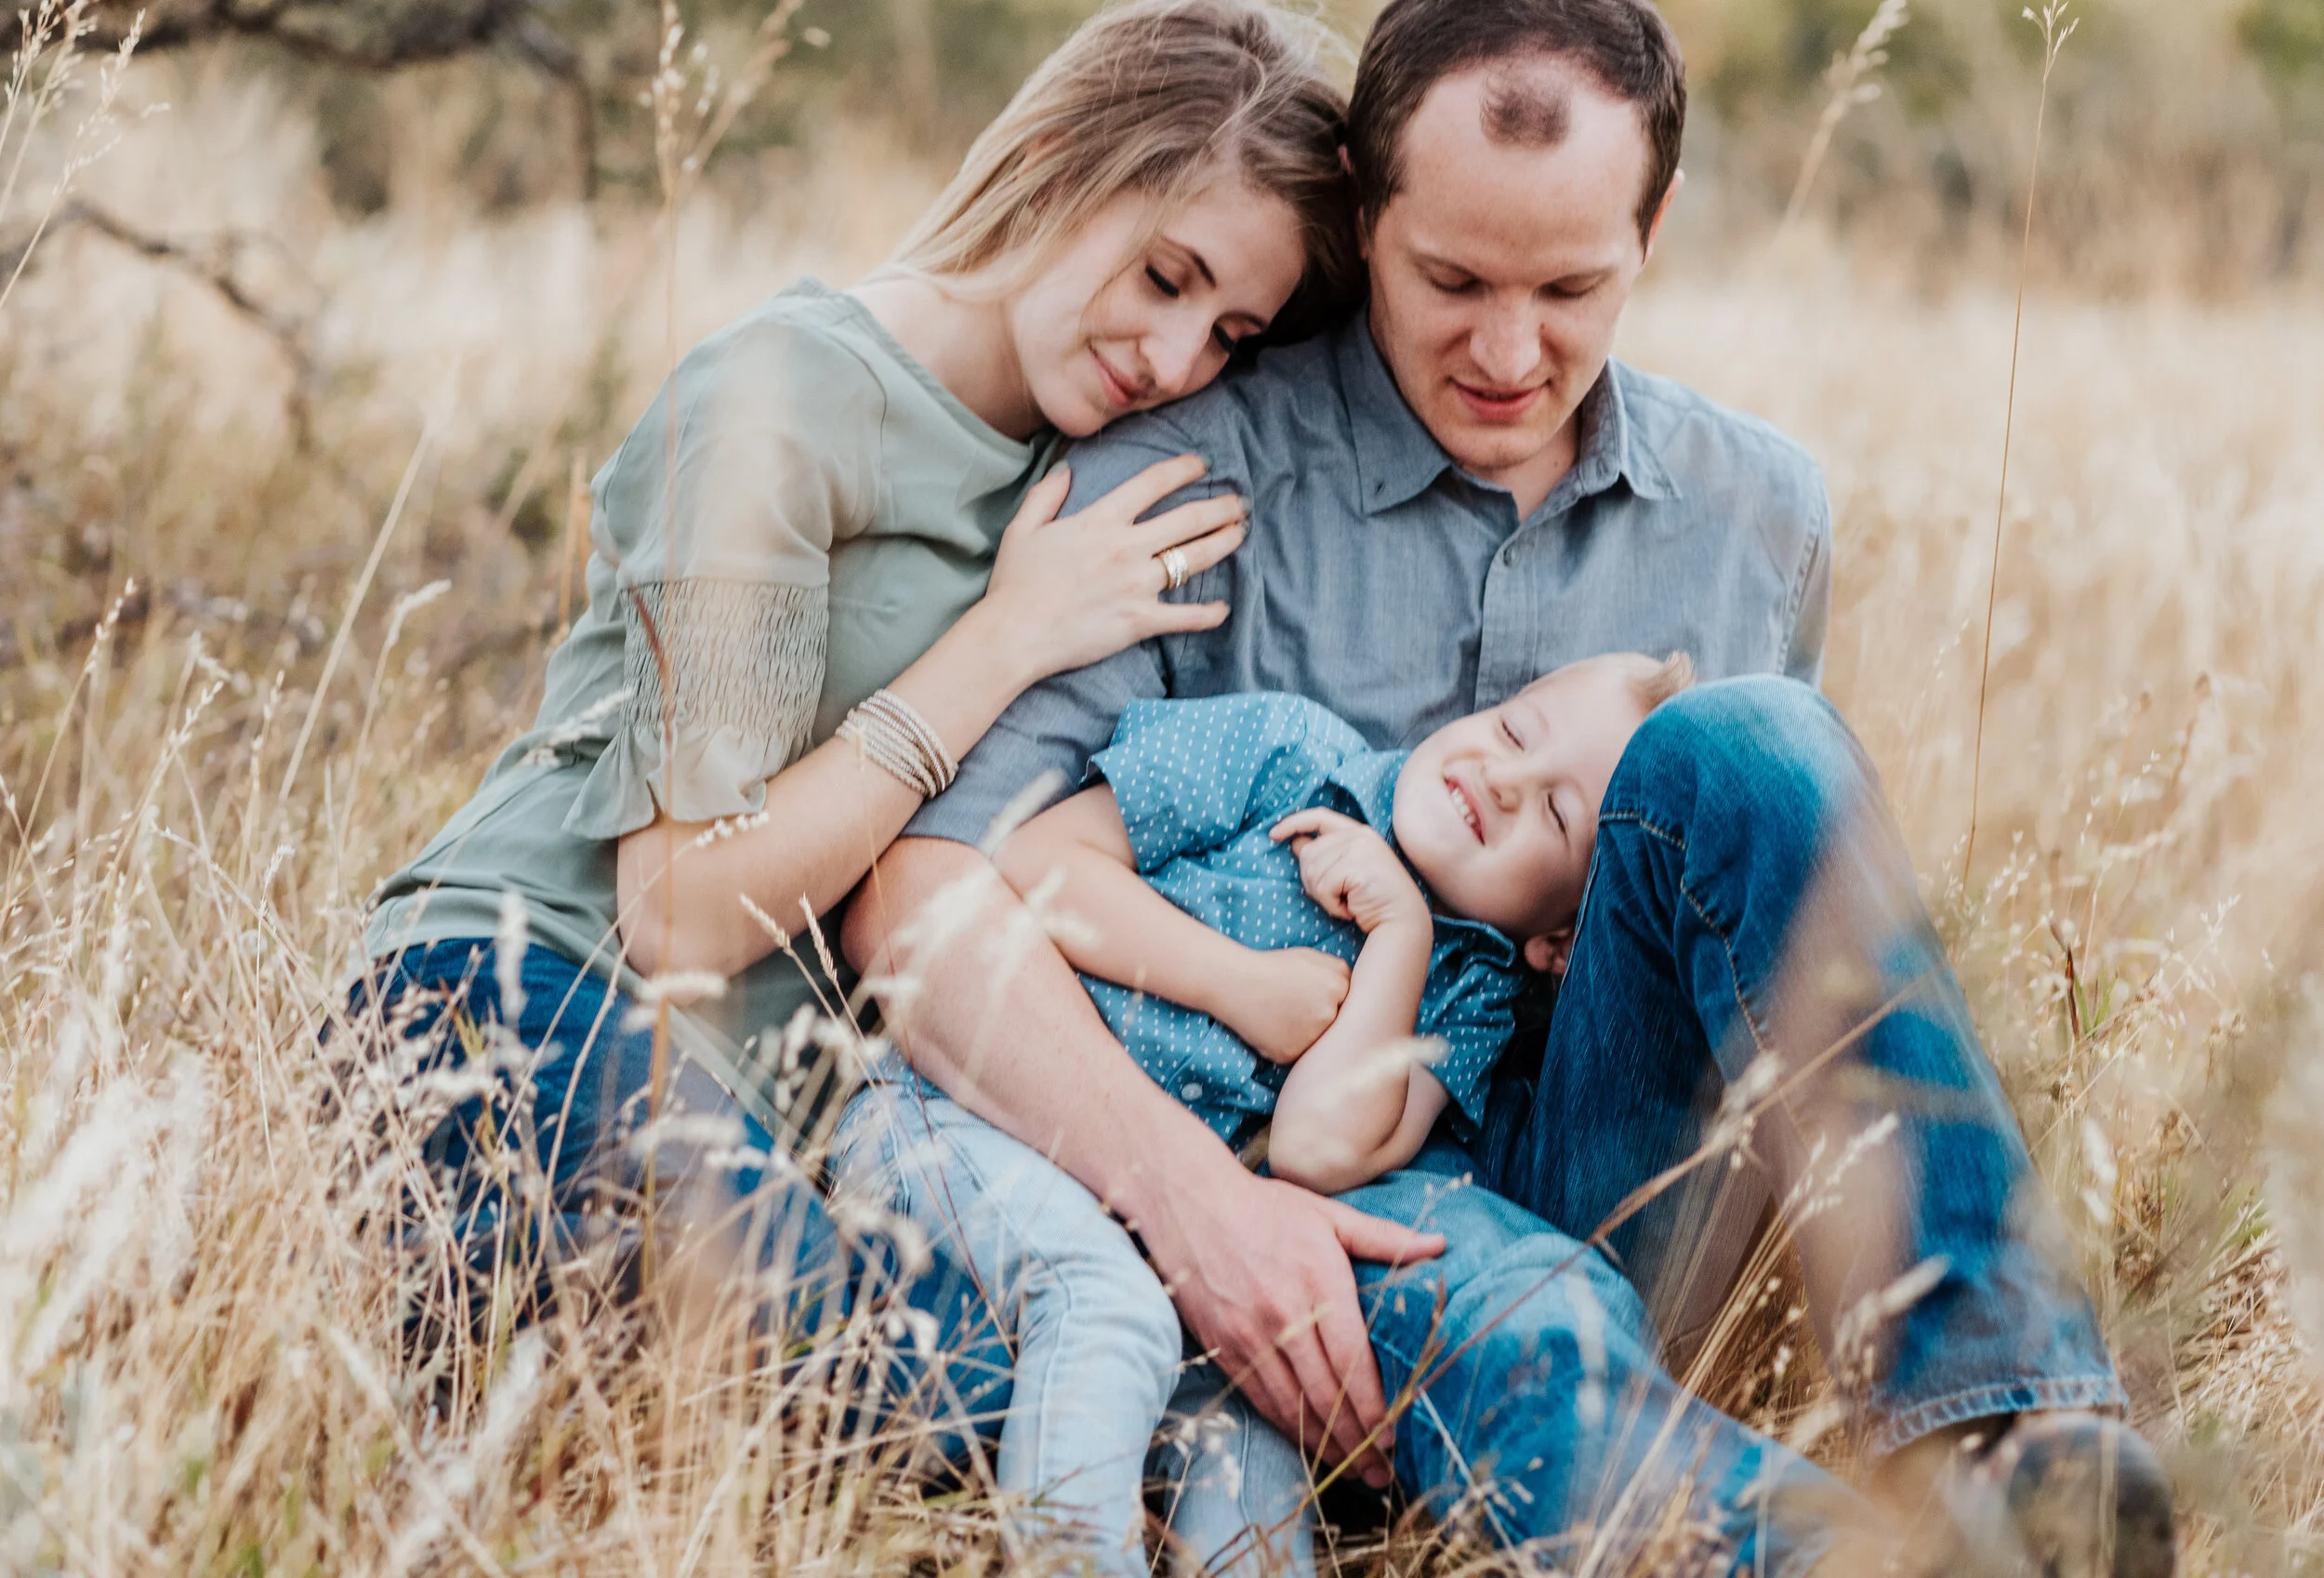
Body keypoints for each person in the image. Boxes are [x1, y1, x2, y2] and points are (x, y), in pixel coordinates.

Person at [845, 0, 2177, 1572]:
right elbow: (925, 897)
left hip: (1617, 1173)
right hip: (1329, 1199)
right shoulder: (1182, 470)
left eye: (1572, 288)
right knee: (1520, 1318)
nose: (1505, 349)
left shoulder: (1758, 513)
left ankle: (2000, 1434)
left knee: (1754, 738)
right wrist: (1207, 1205)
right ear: (1365, 209)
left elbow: (1759, 933)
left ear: (1654, 224)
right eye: (1451, 280)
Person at [345, 0, 1374, 1444]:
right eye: (1164, 273)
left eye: (1230, 331)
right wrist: (1005, 637)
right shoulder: (782, 398)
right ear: (1072, 156)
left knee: (1109, 1414)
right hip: (518, 1002)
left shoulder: (1080, 476)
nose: (1172, 352)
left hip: (786, 1123)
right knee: (964, 1421)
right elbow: (681, 912)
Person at [832, 653, 1689, 1574]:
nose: (1503, 778)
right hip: (953, 1120)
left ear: (1556, 943)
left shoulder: (1468, 995)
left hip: (1175, 1259)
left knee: (1255, 1457)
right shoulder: (1289, 750)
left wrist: (1398, 933)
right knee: (1107, 1311)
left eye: (1556, 813)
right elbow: (1034, 865)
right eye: (1516, 728)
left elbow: (1317, 1149)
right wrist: (1235, 983)